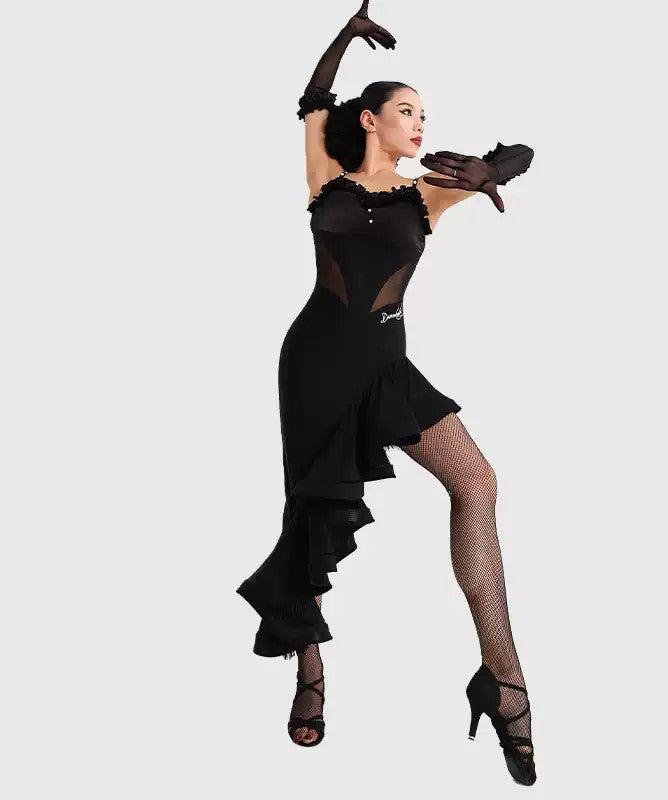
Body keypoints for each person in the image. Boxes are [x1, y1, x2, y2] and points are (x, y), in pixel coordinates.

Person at [236, 0, 536, 786]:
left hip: (386, 366)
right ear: (370, 120)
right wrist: (343, 36)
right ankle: (309, 667)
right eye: (407, 111)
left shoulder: (427, 194)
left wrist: (491, 171)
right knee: (309, 514)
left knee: (477, 482)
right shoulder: (325, 178)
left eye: (425, 114)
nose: (420, 124)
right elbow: (313, 99)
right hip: (314, 364)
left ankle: (503, 679)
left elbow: (524, 153)